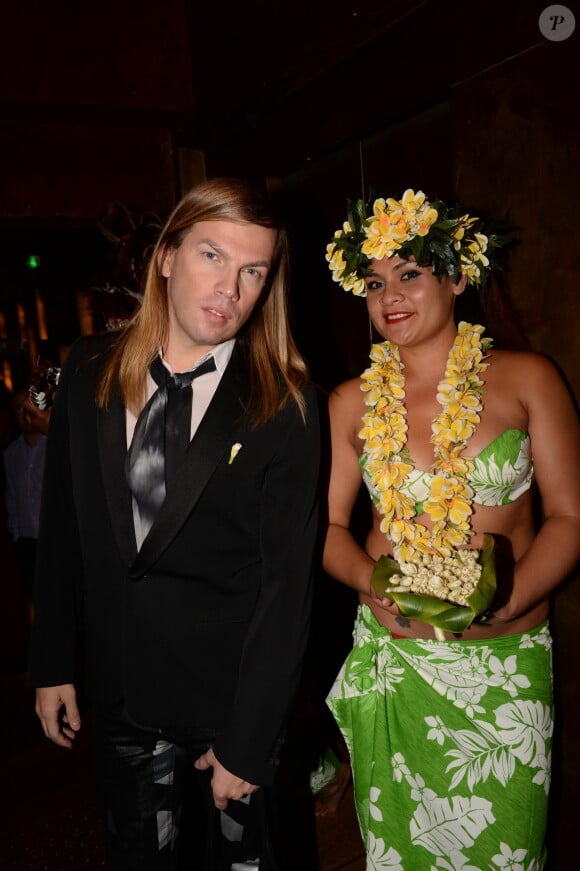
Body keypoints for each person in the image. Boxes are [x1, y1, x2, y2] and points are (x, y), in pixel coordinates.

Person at [29, 178, 320, 870]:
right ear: (167, 257)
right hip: (123, 695)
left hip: (231, 704)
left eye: (254, 271)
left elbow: (287, 586)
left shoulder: (285, 402)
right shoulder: (89, 367)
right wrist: (52, 662)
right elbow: (62, 526)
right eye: (213, 257)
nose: (231, 289)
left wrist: (250, 740)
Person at [322, 188, 580, 869]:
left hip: (506, 667)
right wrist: (367, 584)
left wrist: (509, 597)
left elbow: (569, 518)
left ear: (458, 275)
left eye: (409, 273)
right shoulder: (350, 401)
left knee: (509, 851)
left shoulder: (529, 380)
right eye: (374, 281)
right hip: (396, 659)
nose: (390, 296)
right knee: (399, 850)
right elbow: (324, 527)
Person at [3, 388, 48, 606]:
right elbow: (12, 496)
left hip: (54, 538)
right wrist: (16, 533)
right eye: (18, 408)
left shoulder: (54, 445)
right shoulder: (10, 454)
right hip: (27, 543)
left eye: (28, 405)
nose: (24, 413)